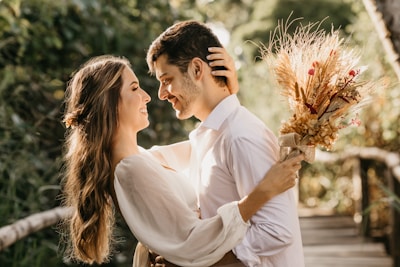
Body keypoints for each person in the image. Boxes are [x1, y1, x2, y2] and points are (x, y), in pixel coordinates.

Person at [60, 55, 304, 266]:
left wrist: (224, 94)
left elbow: (212, 140)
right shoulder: (131, 169)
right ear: (109, 103)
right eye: (134, 88)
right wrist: (262, 193)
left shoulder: (143, 158)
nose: (147, 96)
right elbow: (192, 239)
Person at [146, 20, 305, 267]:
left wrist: (196, 263)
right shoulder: (208, 135)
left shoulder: (241, 136)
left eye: (167, 79)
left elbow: (277, 230)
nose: (161, 93)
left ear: (197, 69)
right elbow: (145, 160)